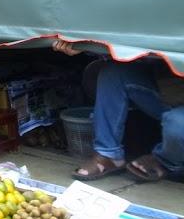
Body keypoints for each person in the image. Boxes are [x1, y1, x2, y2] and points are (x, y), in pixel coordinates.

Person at [55, 40, 183, 182]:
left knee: (177, 123)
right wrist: (83, 44)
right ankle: (109, 154)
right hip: (170, 90)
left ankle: (165, 161)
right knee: (114, 73)